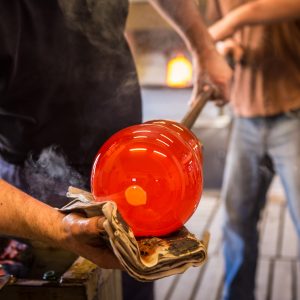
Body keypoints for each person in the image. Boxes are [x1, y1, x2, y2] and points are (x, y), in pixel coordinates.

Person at [0, 0, 232, 298]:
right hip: (34, 190)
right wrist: (60, 228)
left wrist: (203, 48)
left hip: (127, 165)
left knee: (134, 285)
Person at [206, 0, 300, 299]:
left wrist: (226, 26)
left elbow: (261, 10)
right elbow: (218, 41)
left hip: (293, 115)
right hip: (244, 120)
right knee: (236, 223)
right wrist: (227, 46)